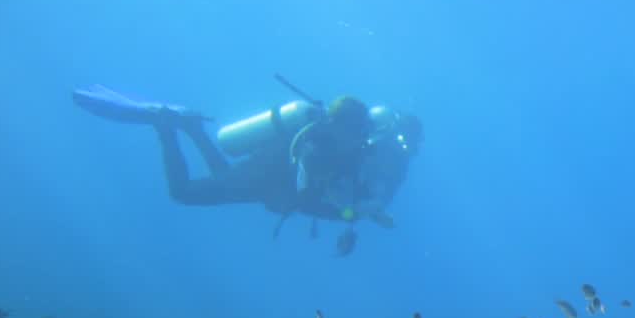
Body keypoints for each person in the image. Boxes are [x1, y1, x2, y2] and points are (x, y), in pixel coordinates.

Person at [72, 84, 422, 255]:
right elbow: (305, 194)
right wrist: (348, 213)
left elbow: (334, 187)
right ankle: (165, 126)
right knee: (184, 193)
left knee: (227, 177)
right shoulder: (319, 146)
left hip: (264, 175)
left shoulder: (348, 146)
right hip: (266, 179)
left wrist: (358, 209)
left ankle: (191, 128)